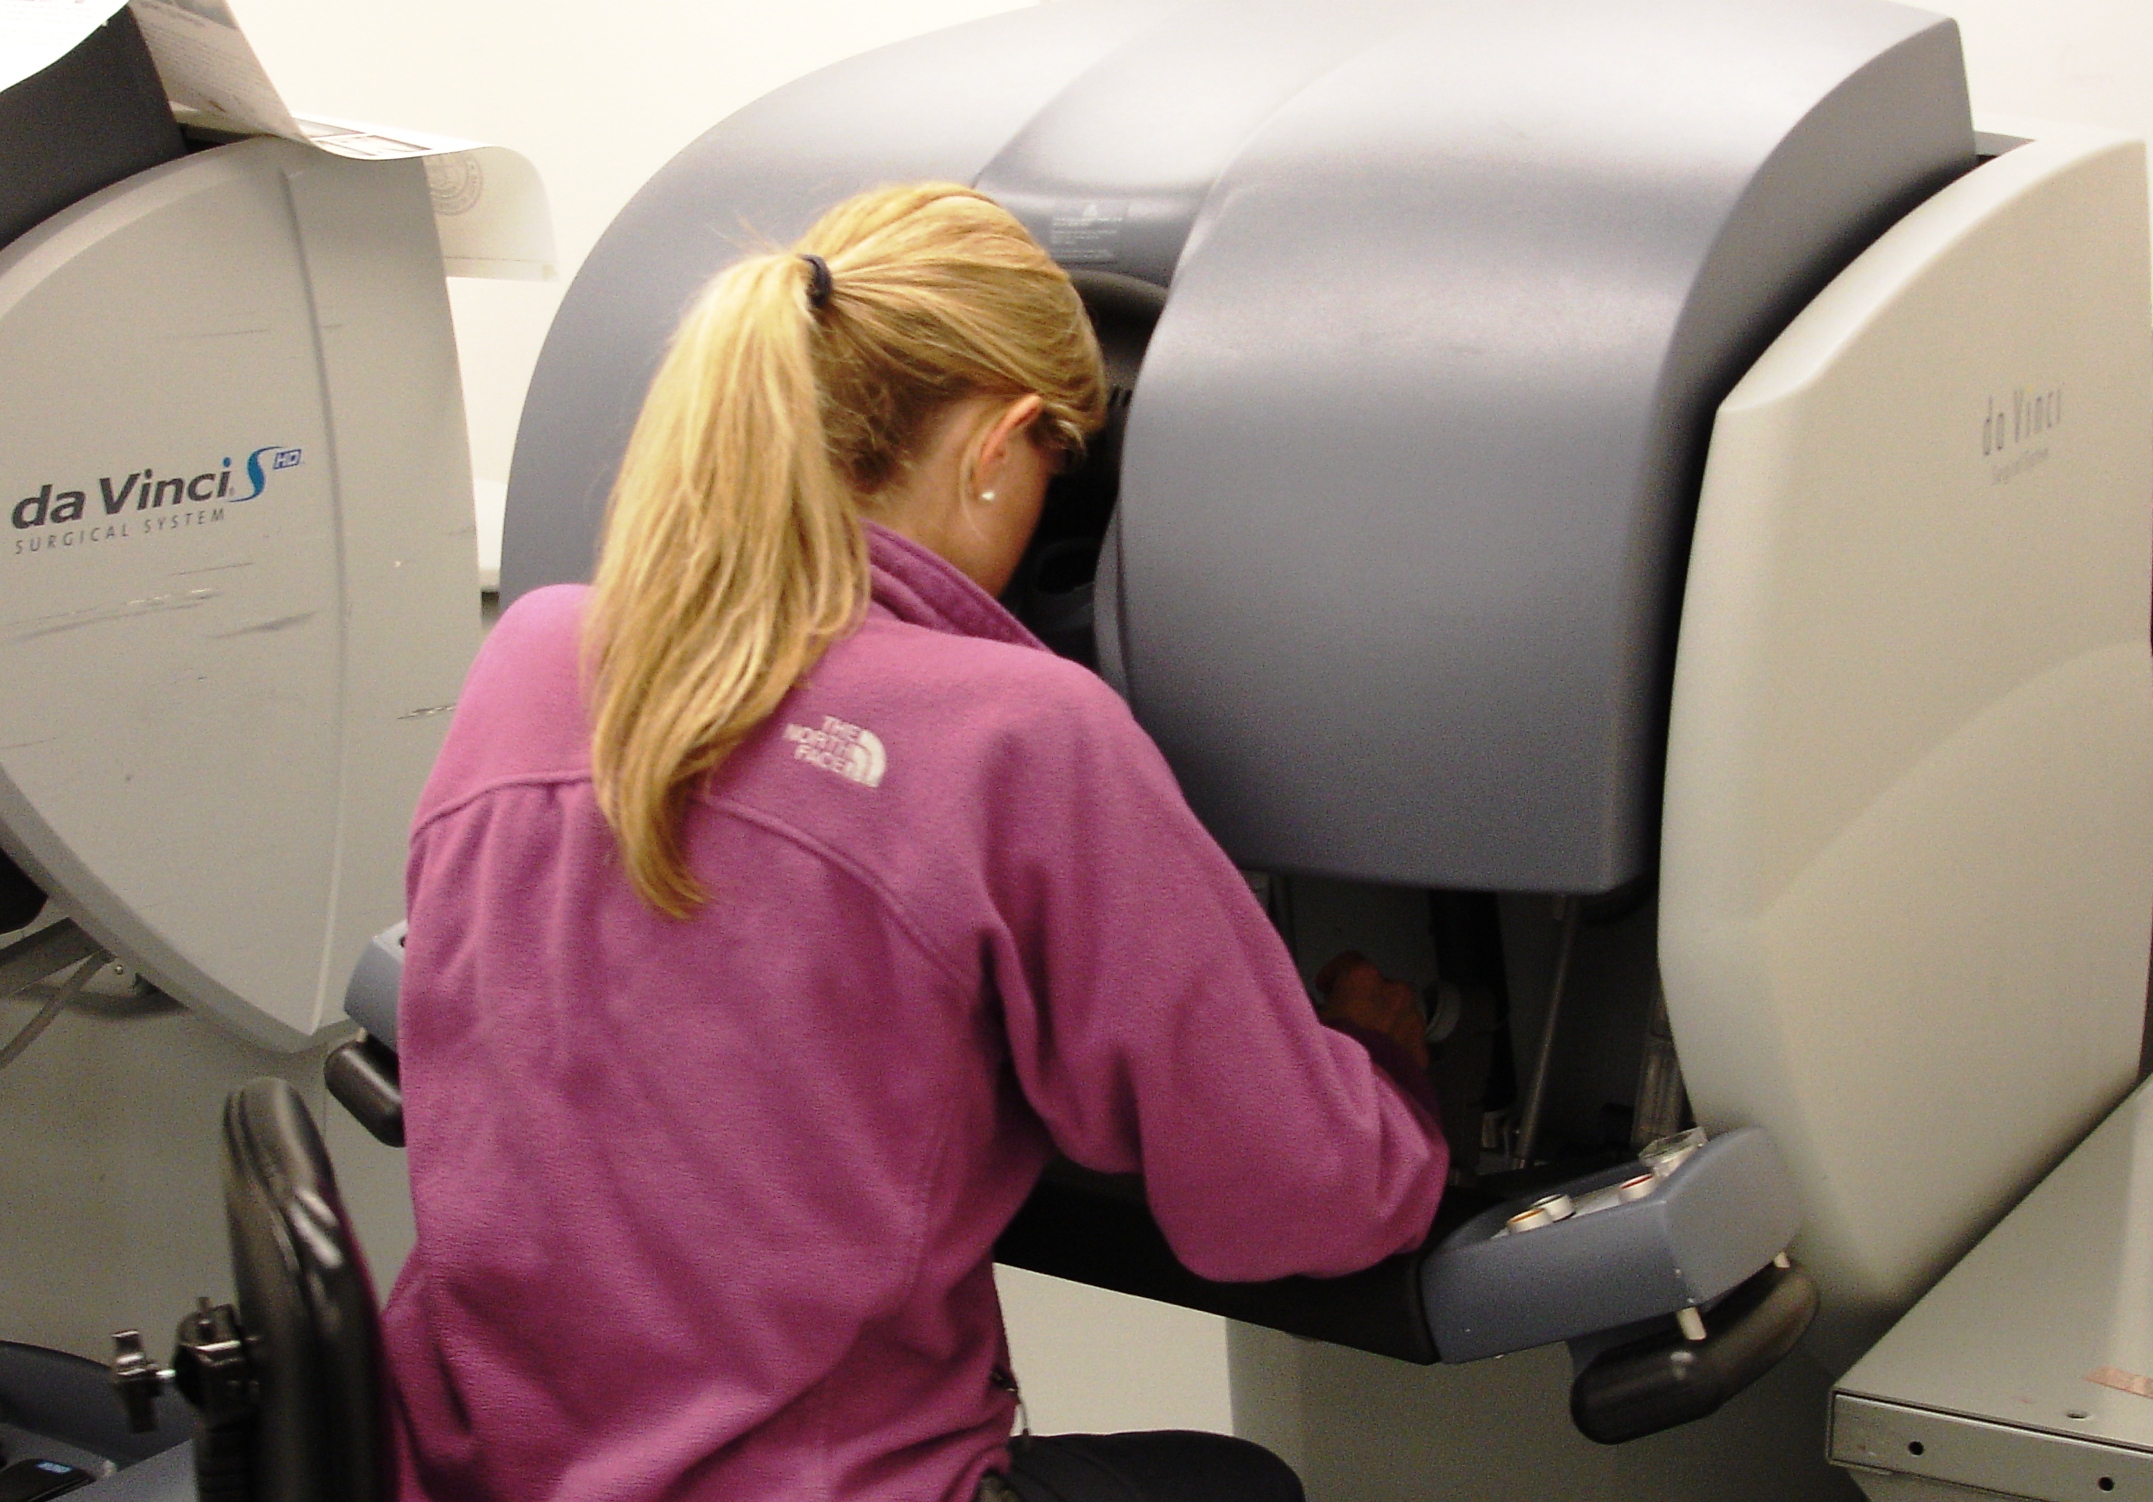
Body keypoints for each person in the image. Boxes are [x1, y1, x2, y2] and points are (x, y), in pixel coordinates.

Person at [383, 183, 1448, 1502]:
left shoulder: (535, 648)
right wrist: (1391, 1072)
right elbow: (1297, 1197)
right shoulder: (1020, 730)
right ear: (1003, 444)